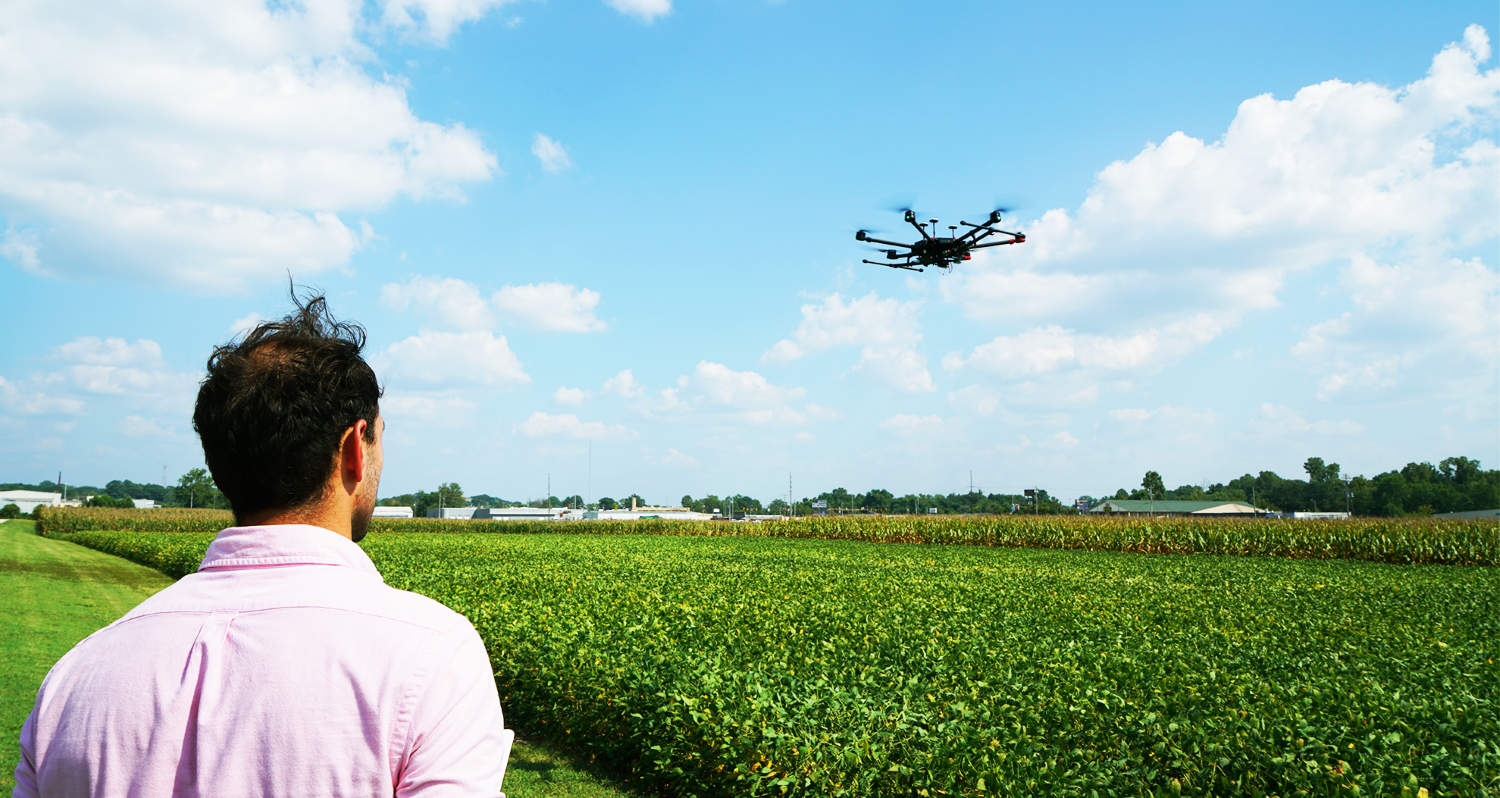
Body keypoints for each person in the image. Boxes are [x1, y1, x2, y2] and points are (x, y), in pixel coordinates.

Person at [14, 293, 513, 797]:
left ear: (218, 460)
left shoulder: (74, 676)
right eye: (379, 439)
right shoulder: (433, 657)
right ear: (353, 450)